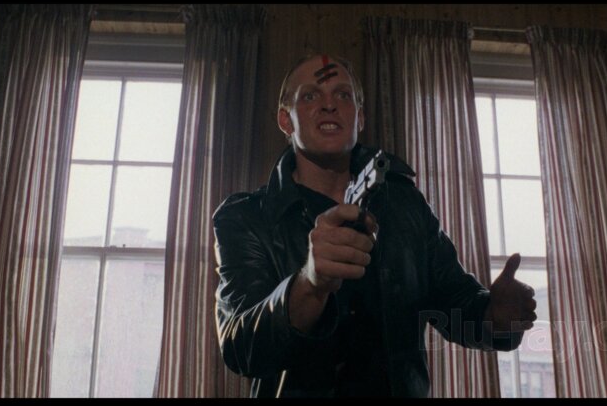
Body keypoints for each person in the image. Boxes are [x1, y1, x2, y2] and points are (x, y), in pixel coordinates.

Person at [213, 53, 537, 398]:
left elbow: (454, 302)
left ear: (360, 117)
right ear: (285, 120)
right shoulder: (245, 218)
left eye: (343, 95)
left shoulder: (404, 203)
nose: (329, 105)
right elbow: (241, 348)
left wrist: (494, 316)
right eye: (310, 96)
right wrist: (310, 284)